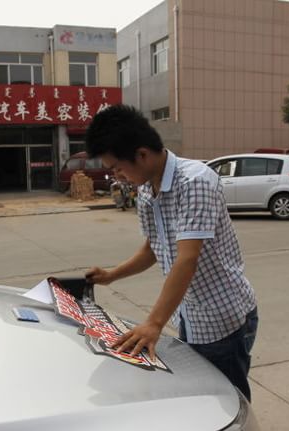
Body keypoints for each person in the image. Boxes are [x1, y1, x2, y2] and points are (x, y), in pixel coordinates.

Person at [84, 105, 258, 401]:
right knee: (201, 392)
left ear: (142, 154)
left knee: (228, 399)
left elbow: (187, 258)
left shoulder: (195, 182)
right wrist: (112, 275)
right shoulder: (147, 191)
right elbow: (155, 247)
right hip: (189, 313)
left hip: (221, 317)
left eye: (118, 168)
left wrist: (153, 324)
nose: (118, 176)